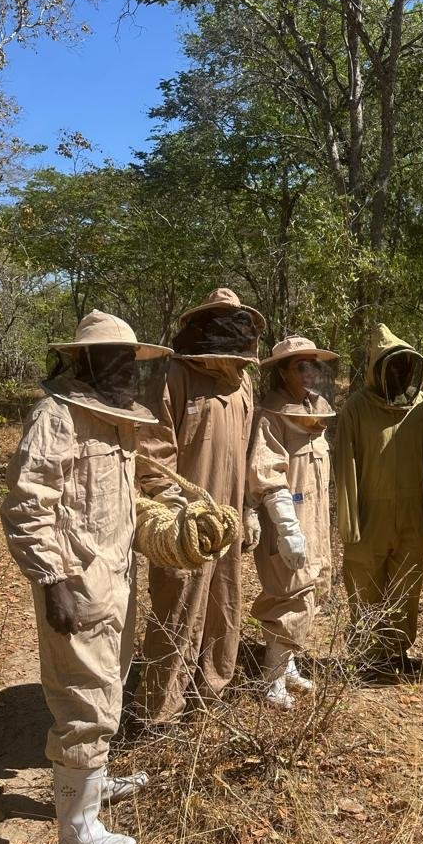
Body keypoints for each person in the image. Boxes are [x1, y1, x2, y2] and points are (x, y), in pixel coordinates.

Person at [1, 310, 172, 844]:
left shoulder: (117, 419)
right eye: (115, 359)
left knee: (110, 682)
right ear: (86, 361)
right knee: (83, 696)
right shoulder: (56, 416)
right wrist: (52, 580)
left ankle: (91, 789)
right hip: (76, 581)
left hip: (115, 577)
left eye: (131, 359)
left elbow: (120, 496)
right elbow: (28, 504)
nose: (127, 369)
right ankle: (77, 835)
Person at [136, 288, 265, 721]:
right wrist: (175, 512)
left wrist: (247, 509)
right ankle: (160, 713)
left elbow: (247, 452)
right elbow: (153, 452)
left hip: (227, 521)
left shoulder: (243, 383)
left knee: (224, 603)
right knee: (176, 606)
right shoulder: (173, 376)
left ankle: (210, 695)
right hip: (185, 522)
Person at [335, 324, 423, 675]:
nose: (400, 374)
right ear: (378, 369)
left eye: (404, 366)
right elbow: (345, 465)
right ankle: (367, 654)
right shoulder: (356, 408)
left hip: (412, 513)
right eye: (393, 367)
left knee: (407, 581)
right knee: (365, 582)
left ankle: (396, 652)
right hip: (368, 512)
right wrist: (349, 521)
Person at [247, 335, 338, 708]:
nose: (310, 372)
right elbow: (267, 473)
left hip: (314, 520)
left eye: (313, 365)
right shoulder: (271, 413)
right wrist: (287, 527)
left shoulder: (316, 409)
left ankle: (287, 666)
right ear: (283, 372)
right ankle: (272, 681)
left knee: (307, 591)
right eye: (301, 366)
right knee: (287, 594)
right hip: (286, 523)